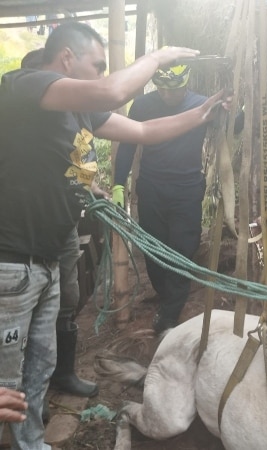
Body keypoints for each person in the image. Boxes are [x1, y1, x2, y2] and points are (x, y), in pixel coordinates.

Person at [0, 22, 229, 449]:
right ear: (66, 57)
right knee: (6, 378)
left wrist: (203, 112)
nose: (104, 73)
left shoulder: (79, 111)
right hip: (13, 261)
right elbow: (110, 92)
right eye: (99, 64)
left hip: (47, 258)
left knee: (39, 365)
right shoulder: (24, 84)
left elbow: (143, 132)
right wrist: (158, 58)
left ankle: (31, 443)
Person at [20, 48, 101, 399]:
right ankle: (25, 393)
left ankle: (60, 375)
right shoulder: (19, 124)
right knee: (23, 313)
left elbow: (74, 162)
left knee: (65, 300)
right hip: (22, 238)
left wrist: (93, 186)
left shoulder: (71, 115)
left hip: (63, 228)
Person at [113, 64, 216, 335]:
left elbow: (235, 125)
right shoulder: (143, 106)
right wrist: (117, 184)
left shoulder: (202, 105)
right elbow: (127, 144)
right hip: (152, 188)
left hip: (187, 189)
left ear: (186, 84)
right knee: (153, 248)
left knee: (183, 248)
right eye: (163, 90)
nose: (169, 96)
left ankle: (169, 315)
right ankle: (166, 294)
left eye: (175, 91)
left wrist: (233, 104)